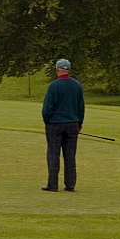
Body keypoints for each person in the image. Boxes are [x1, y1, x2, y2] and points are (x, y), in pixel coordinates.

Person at [41, 58, 85, 192]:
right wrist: (79, 123)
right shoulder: (76, 85)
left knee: (53, 154)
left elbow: (47, 108)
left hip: (55, 124)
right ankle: (70, 184)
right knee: (70, 155)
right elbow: (81, 107)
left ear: (57, 70)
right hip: (73, 123)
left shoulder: (54, 86)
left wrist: (47, 121)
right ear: (69, 69)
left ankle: (52, 184)